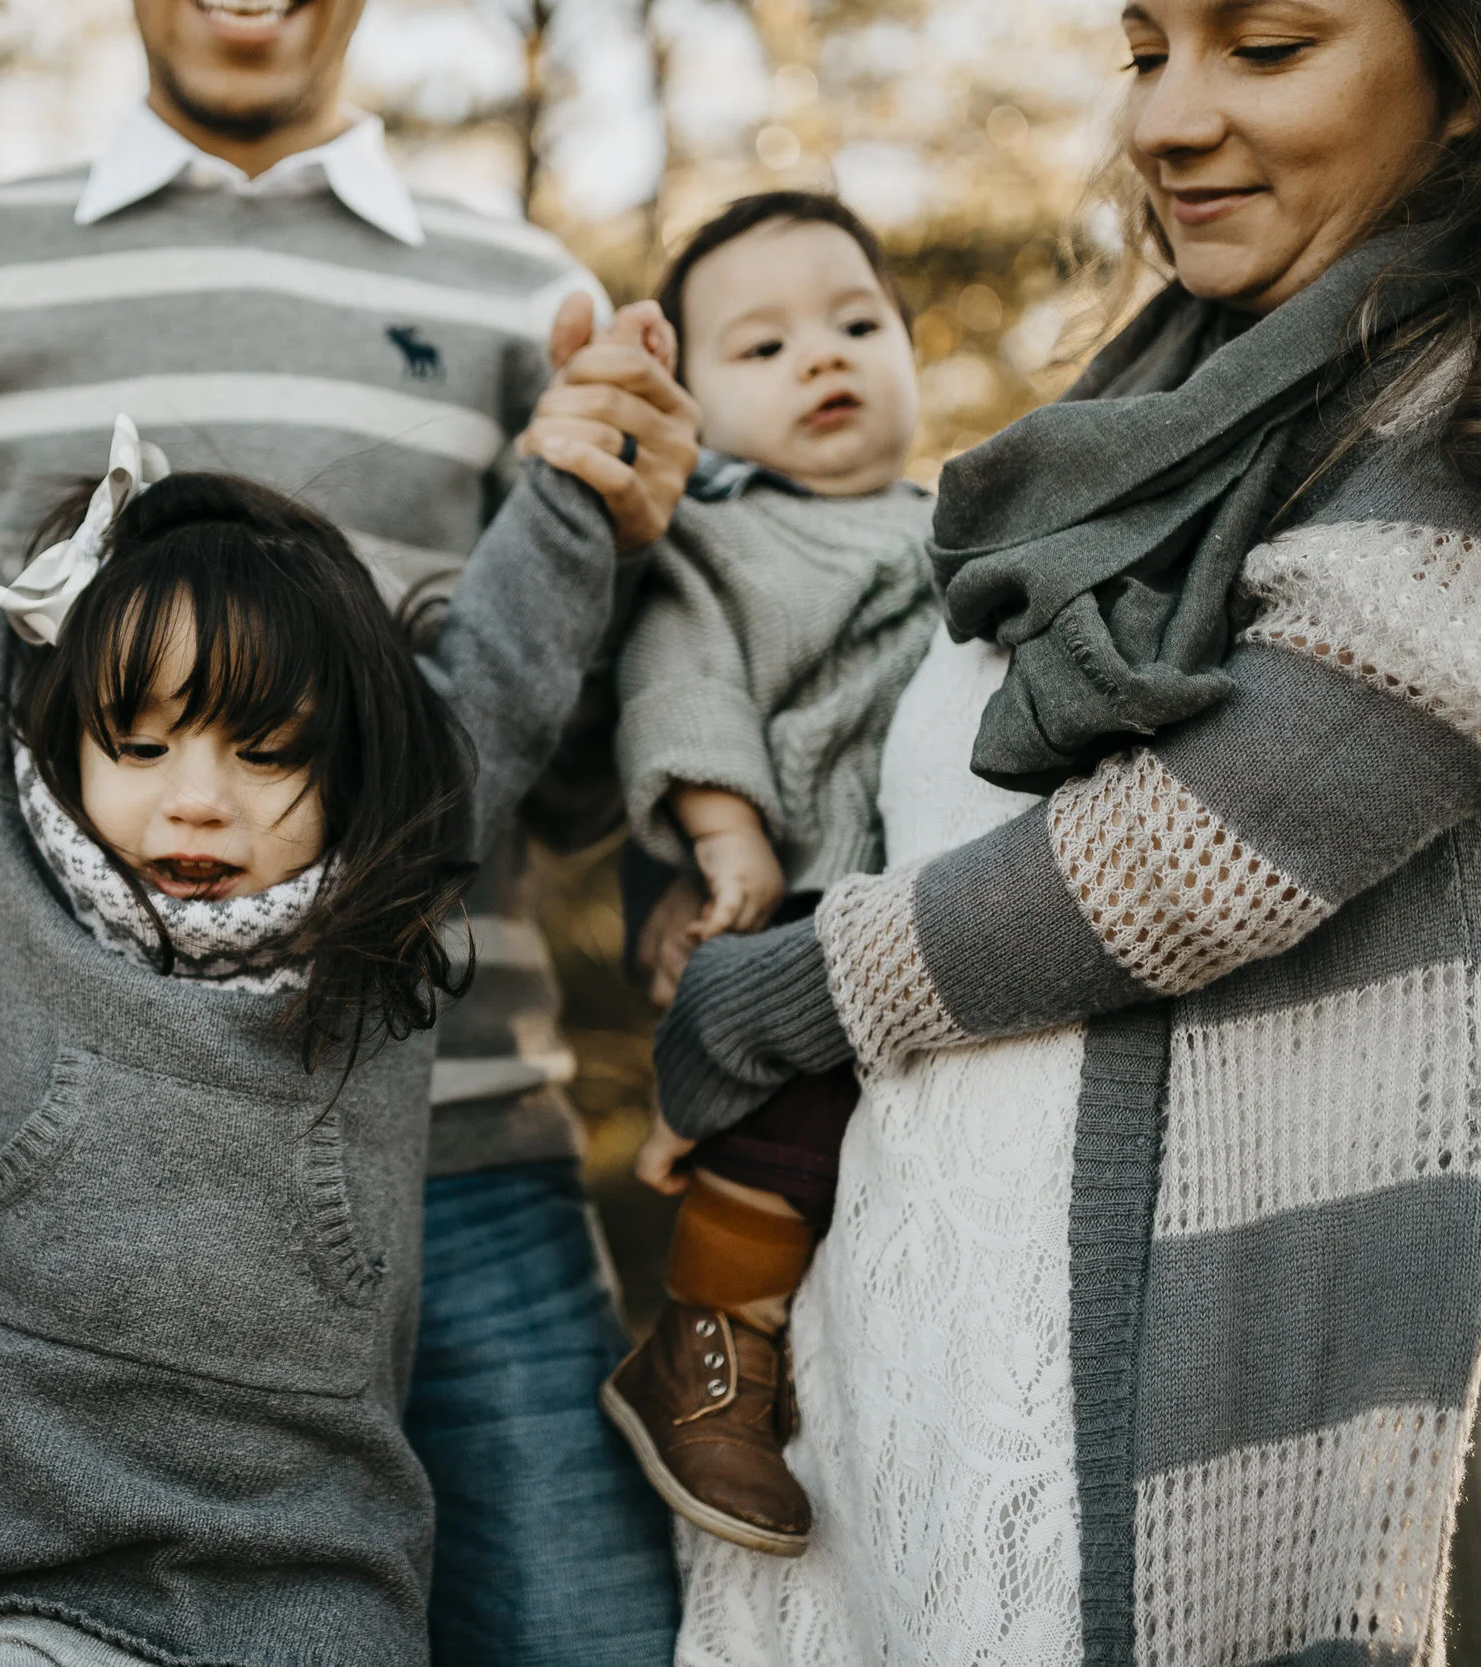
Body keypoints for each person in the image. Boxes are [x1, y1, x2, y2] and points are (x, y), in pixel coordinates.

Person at [0, 1, 699, 1657]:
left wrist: (618, 529)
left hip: (450, 1167)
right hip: (23, 1190)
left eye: (259, 746)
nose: (194, 788)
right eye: (146, 736)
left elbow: (548, 763)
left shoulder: (529, 289)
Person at [625, 0, 1481, 1659]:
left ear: (1459, 78)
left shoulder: (1452, 422)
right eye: (1148, 49)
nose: (1166, 121)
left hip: (1133, 1429)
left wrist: (769, 1002)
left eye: (1270, 44)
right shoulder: (1170, 400)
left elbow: (1197, 851)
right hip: (900, 1354)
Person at [584, 192, 940, 1559]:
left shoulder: (961, 523)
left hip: (936, 896)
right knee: (785, 1128)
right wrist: (726, 836)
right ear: (694, 405)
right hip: (794, 887)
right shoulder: (711, 542)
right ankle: (703, 1348)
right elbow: (682, 686)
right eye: (766, 347)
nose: (824, 359)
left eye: (858, 324)